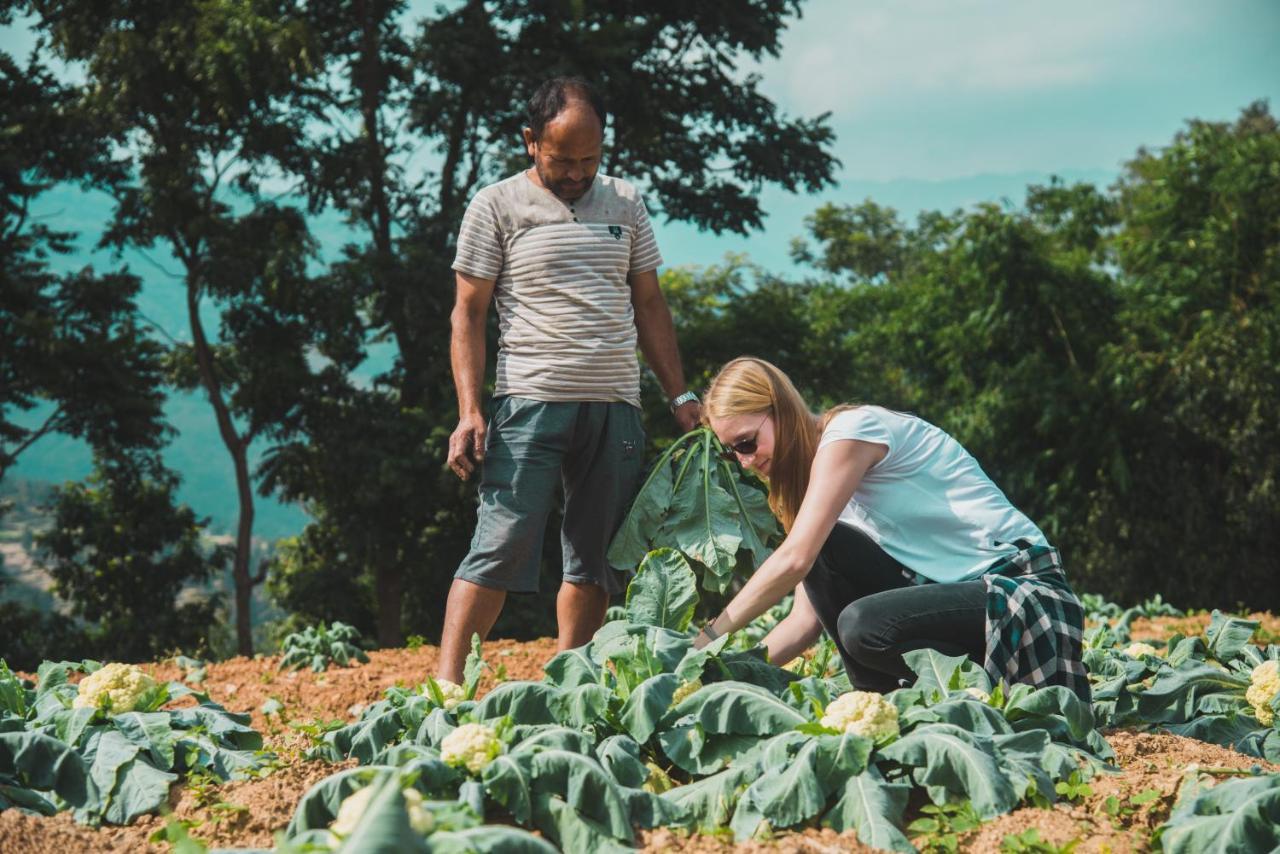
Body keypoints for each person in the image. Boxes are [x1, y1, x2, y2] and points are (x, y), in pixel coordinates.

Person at [438, 77, 700, 684]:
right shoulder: (495, 206)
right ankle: (446, 689)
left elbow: (650, 303)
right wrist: (470, 411)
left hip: (615, 404)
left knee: (595, 556)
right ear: (531, 142)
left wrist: (679, 395)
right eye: (564, 160)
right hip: (529, 401)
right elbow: (468, 313)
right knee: (500, 543)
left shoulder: (626, 202)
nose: (579, 172)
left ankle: (568, 680)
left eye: (591, 158)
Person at [692, 357, 1090, 700]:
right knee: (836, 571)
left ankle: (898, 698)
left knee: (860, 624)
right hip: (963, 603)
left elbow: (796, 558)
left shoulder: (852, 432)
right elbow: (802, 624)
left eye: (746, 443)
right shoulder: (819, 493)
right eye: (732, 453)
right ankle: (893, 704)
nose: (744, 461)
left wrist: (707, 639)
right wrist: (721, 674)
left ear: (780, 409)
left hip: (1021, 594)